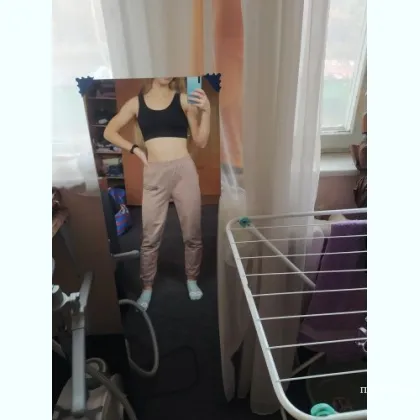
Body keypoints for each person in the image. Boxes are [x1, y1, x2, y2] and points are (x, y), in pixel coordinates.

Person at [104, 78, 211, 310]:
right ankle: (147, 286)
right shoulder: (136, 103)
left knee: (192, 232)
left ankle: (192, 278)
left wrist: (207, 111)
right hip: (155, 171)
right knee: (150, 236)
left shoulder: (184, 100)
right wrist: (134, 149)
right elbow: (109, 131)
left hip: (184, 171)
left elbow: (201, 141)